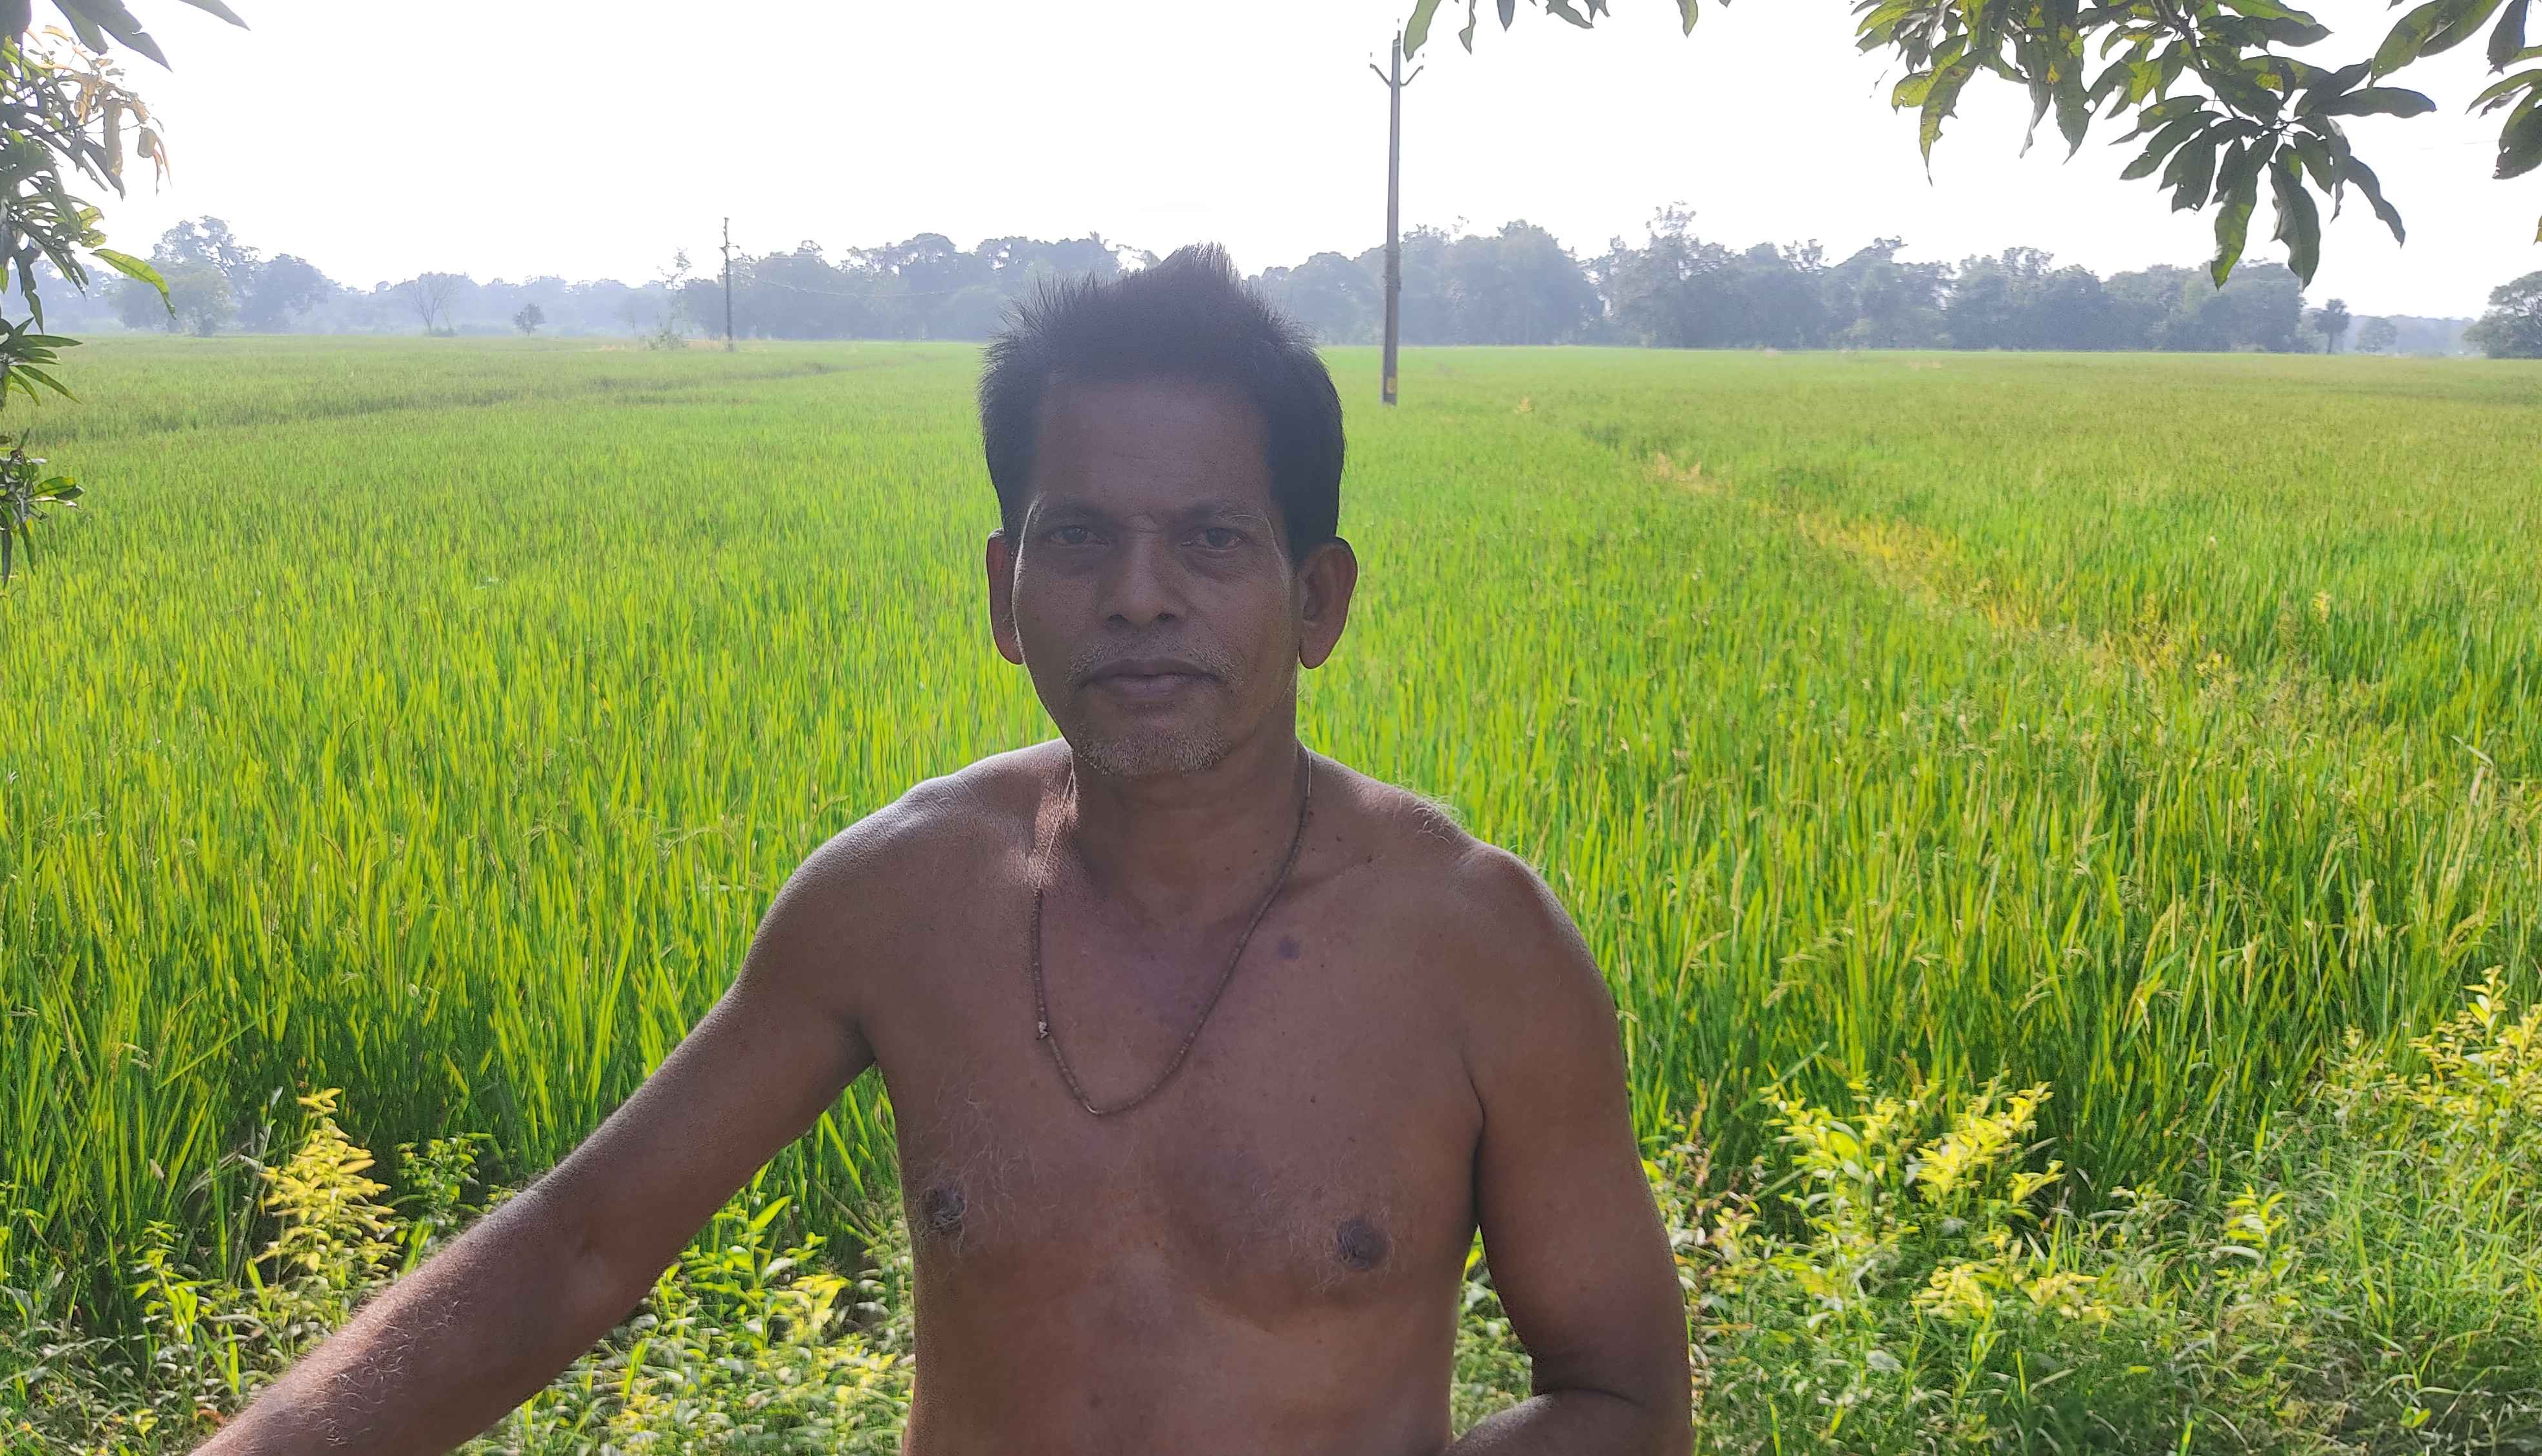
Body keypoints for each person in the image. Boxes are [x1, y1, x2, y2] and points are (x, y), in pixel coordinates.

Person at [196, 244, 1693, 1456]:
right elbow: (579, 1245)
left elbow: (1623, 1399)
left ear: (1317, 600)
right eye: (1078, 537)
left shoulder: (1472, 948)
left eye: (1210, 541)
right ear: (1003, 590)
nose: (1139, 596)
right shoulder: (902, 900)